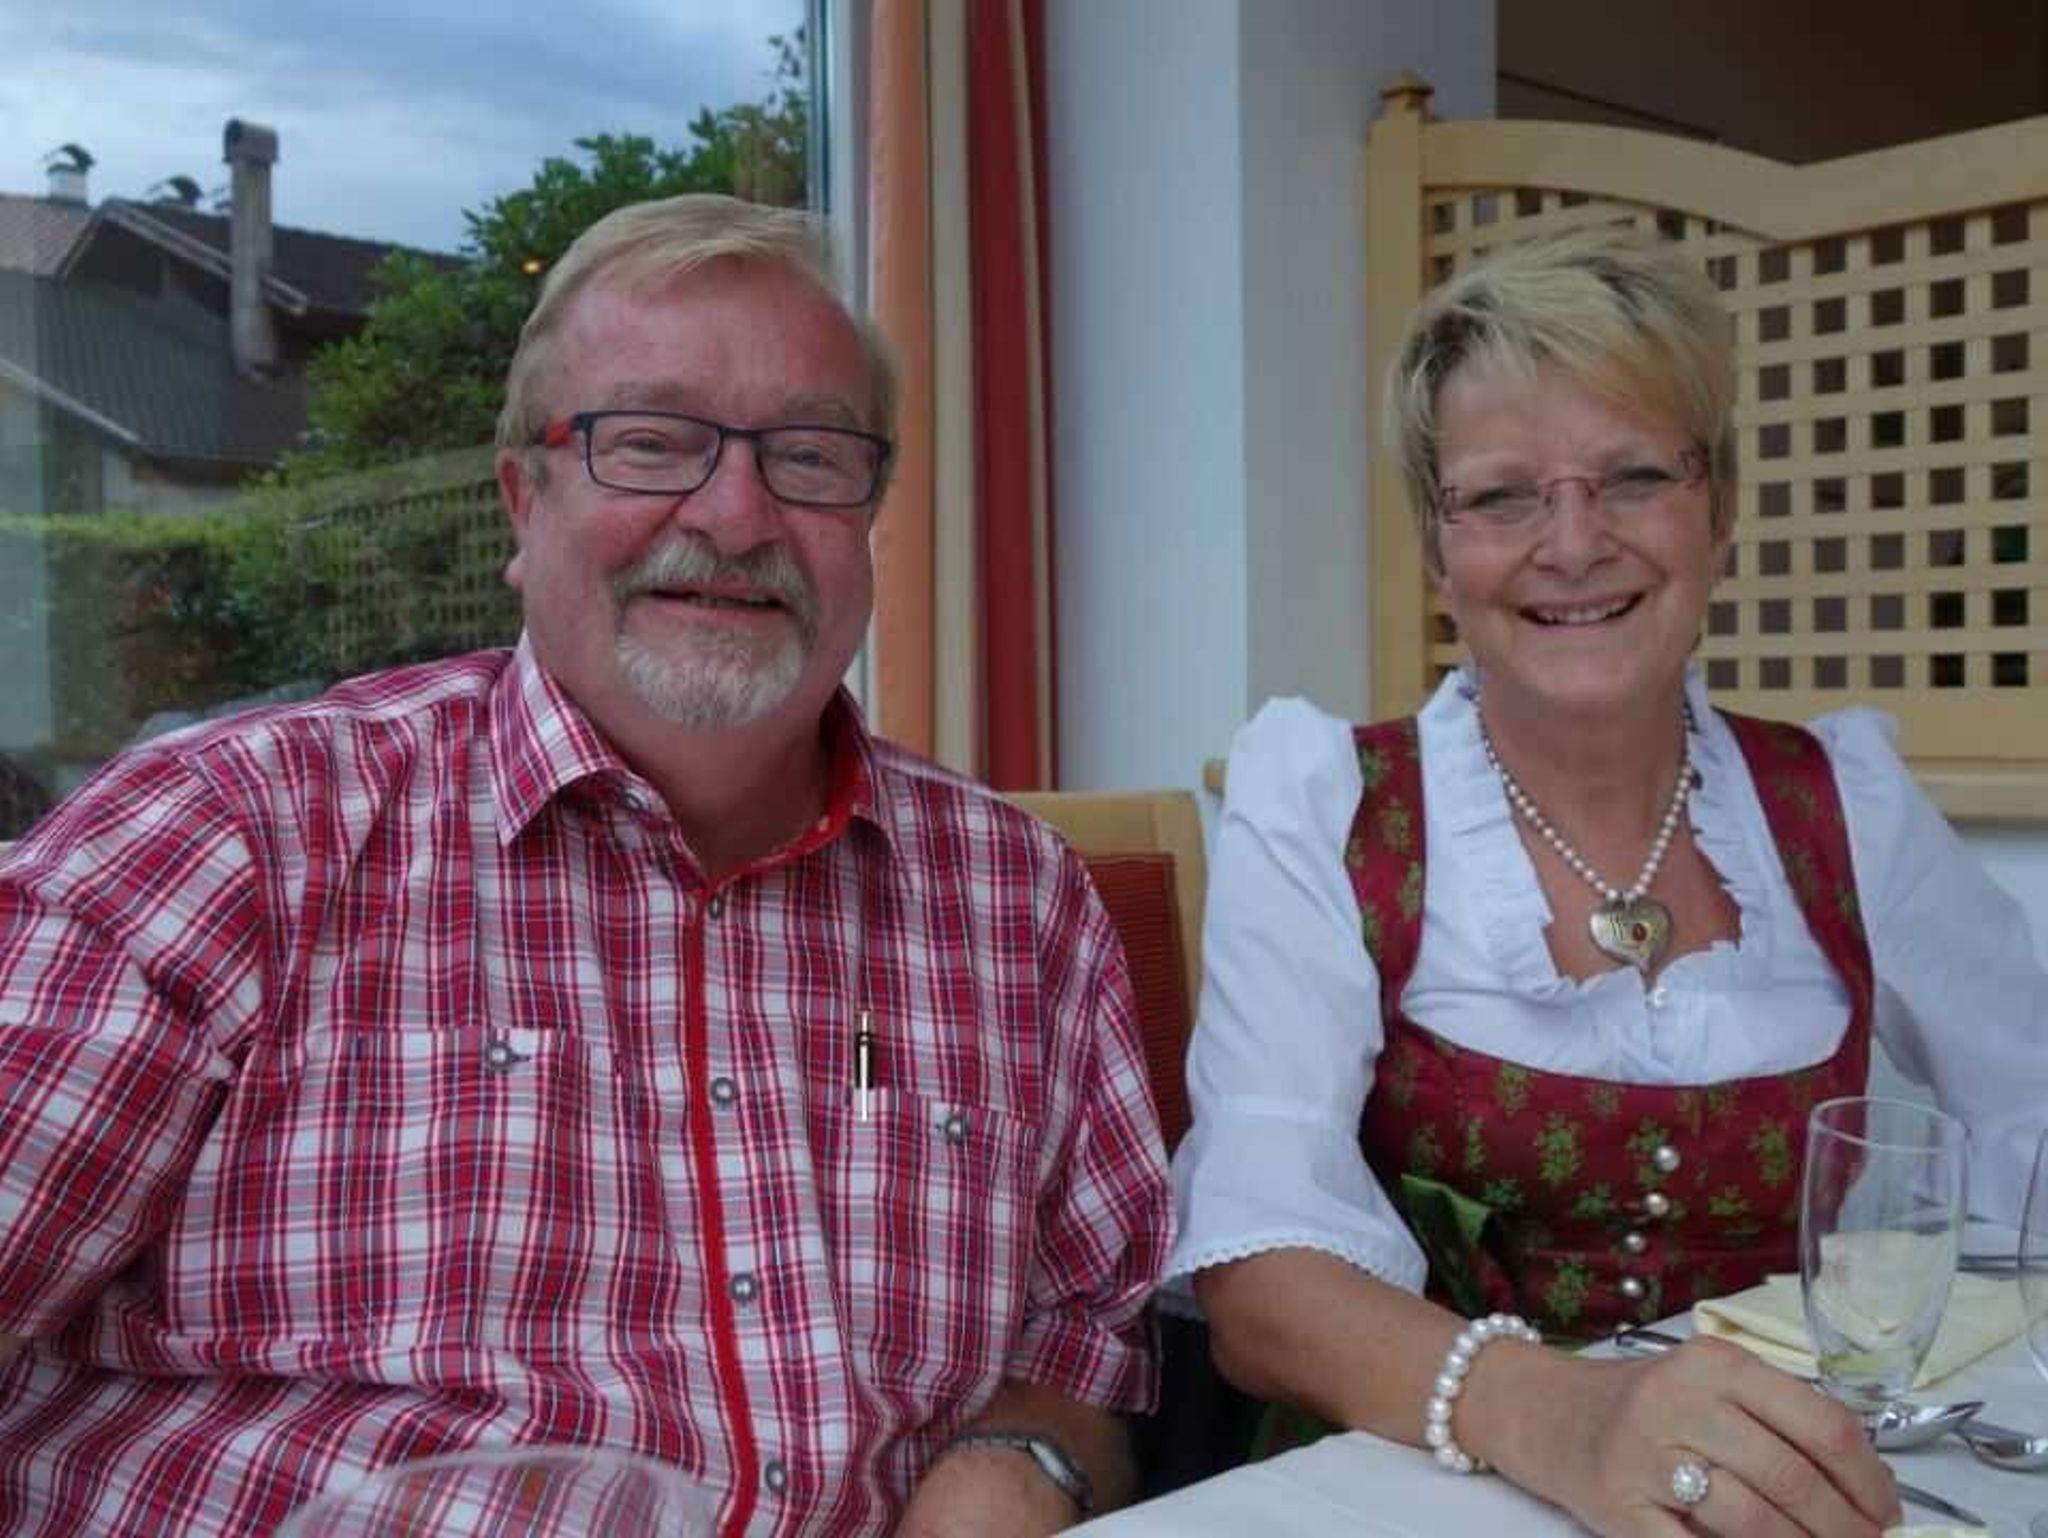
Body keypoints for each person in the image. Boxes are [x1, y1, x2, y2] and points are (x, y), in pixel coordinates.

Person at [0, 195, 1170, 1537]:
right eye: (652, 442)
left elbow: (1086, 1349)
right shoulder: (225, 839)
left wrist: (1021, 1465)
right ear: (525, 498)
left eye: (809, 455)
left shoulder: (1018, 902)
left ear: (869, 517)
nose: (736, 514)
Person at [1169, 230, 2048, 1536]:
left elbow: (2034, 1125)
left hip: (1767, 1501)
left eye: (1634, 477)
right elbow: (1261, 1281)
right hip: (1413, 1499)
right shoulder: (1323, 805)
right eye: (1502, 497)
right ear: (1437, 550)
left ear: (1720, 511)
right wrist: (1568, 1420)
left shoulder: (1846, 806)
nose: (1573, 543)